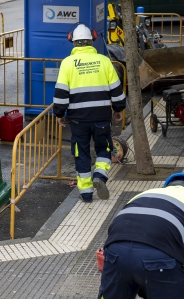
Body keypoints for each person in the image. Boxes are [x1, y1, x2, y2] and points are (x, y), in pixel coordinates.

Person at [53, 24, 126, 203]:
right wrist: (118, 110)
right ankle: (100, 176)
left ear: (73, 41)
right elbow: (116, 90)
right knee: (104, 148)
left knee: (81, 153)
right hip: (101, 117)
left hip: (78, 120)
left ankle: (86, 193)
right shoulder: (104, 61)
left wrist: (59, 114)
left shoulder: (67, 64)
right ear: (92, 40)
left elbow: (61, 93)